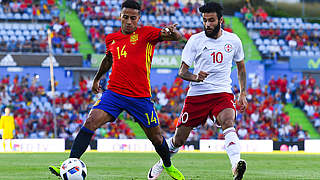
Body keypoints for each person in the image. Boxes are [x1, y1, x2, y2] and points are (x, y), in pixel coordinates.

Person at [49, 1, 185, 179]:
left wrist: (174, 33)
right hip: (114, 93)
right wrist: (97, 78)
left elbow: (176, 36)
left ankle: (167, 165)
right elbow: (108, 60)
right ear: (120, 17)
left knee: (157, 138)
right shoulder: (111, 38)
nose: (129, 21)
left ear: (138, 19)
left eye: (133, 18)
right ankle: (69, 164)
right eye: (125, 17)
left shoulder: (147, 33)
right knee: (90, 122)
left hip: (140, 97)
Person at [148, 2, 248, 180]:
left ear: (221, 20)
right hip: (198, 94)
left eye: (211, 20)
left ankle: (235, 166)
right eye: (205, 21)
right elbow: (182, 72)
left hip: (222, 92)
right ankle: (162, 162)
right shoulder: (195, 40)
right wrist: (196, 77)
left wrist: (242, 93)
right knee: (178, 140)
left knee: (228, 122)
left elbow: (241, 68)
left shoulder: (234, 41)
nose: (208, 24)